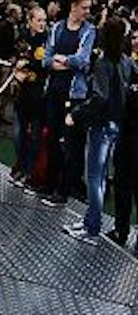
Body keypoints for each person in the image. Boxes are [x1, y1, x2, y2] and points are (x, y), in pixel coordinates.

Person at [66, 15, 129, 245]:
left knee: (94, 177)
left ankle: (91, 227)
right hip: (117, 125)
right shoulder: (126, 61)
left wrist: (76, 113)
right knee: (100, 176)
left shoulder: (104, 62)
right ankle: (89, 222)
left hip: (102, 124)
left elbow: (99, 97)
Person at [42, 0, 98, 207]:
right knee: (52, 138)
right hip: (54, 90)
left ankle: (64, 190)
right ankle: (51, 183)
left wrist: (60, 59)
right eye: (84, 7)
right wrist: (66, 61)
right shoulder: (56, 28)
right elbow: (46, 60)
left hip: (75, 95)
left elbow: (83, 61)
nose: (87, 11)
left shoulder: (89, 30)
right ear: (73, 5)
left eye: (88, 7)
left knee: (71, 143)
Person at [8, 5, 51, 190]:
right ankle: (22, 167)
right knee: (18, 136)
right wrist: (16, 67)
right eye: (39, 20)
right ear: (30, 21)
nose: (42, 24)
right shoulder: (23, 38)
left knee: (35, 138)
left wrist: (30, 65)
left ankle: (28, 172)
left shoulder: (48, 40)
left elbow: (46, 64)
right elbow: (16, 58)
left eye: (44, 20)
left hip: (39, 96)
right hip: (23, 95)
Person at [108, 25, 138, 250]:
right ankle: (120, 229)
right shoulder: (127, 65)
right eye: (135, 37)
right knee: (121, 182)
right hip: (126, 133)